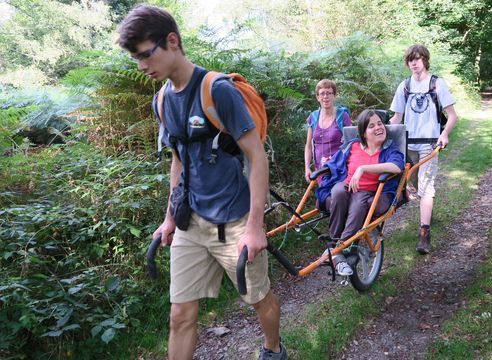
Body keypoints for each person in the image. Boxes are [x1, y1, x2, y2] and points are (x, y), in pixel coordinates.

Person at [116, 5, 286, 360]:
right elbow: (178, 159)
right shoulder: (161, 101)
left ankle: (273, 349)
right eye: (135, 59)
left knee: (259, 301)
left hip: (235, 222)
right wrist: (168, 218)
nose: (142, 66)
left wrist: (255, 227)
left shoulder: (217, 90)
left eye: (145, 55)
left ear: (172, 41)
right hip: (191, 223)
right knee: (179, 315)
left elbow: (256, 156)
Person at [389, 44, 459, 255]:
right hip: (407, 144)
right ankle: (423, 208)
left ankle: (424, 233)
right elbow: (396, 118)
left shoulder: (437, 84)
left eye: (418, 58)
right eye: (411, 59)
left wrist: (444, 134)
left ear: (425, 60)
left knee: (426, 187)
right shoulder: (404, 86)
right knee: (413, 186)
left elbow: (453, 115)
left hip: (429, 144)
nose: (414, 62)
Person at [316, 109, 404, 275]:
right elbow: (334, 164)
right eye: (372, 126)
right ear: (364, 133)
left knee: (358, 203)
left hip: (367, 192)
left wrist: (363, 168)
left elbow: (397, 166)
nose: (379, 127)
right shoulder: (353, 146)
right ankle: (337, 248)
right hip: (346, 187)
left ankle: (336, 250)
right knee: (338, 191)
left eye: (380, 123)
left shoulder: (388, 149)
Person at [304, 79, 352, 183]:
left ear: (334, 96)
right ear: (317, 97)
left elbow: (352, 143)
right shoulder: (313, 117)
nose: (325, 97)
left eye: (329, 93)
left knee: (336, 197)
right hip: (320, 170)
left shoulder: (342, 116)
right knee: (323, 197)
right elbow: (308, 146)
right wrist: (307, 168)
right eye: (322, 94)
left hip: (340, 169)